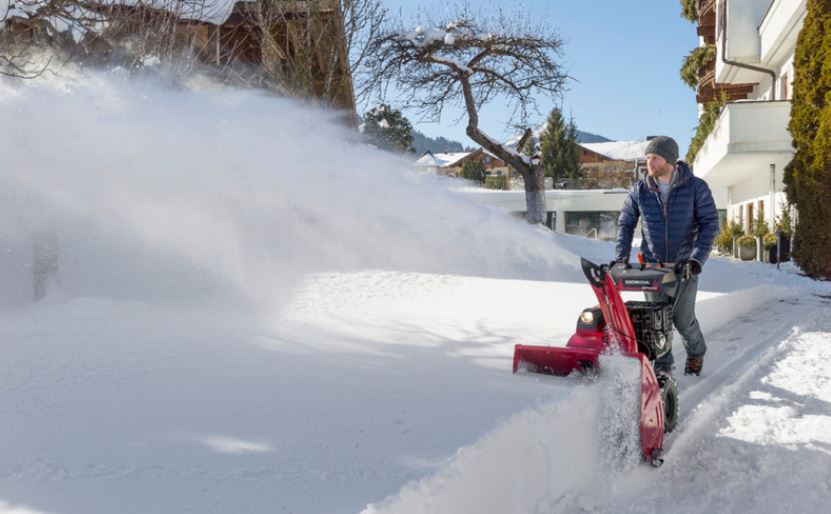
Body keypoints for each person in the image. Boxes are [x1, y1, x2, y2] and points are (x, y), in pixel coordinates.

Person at [615, 136, 719, 376]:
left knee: (683, 320)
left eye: (655, 158)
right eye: (648, 157)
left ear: (670, 160)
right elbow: (626, 224)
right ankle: (663, 366)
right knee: (656, 320)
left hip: (684, 267)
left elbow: (710, 225)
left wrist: (696, 259)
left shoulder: (695, 187)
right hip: (652, 267)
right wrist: (621, 257)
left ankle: (696, 351)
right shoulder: (640, 190)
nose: (649, 162)